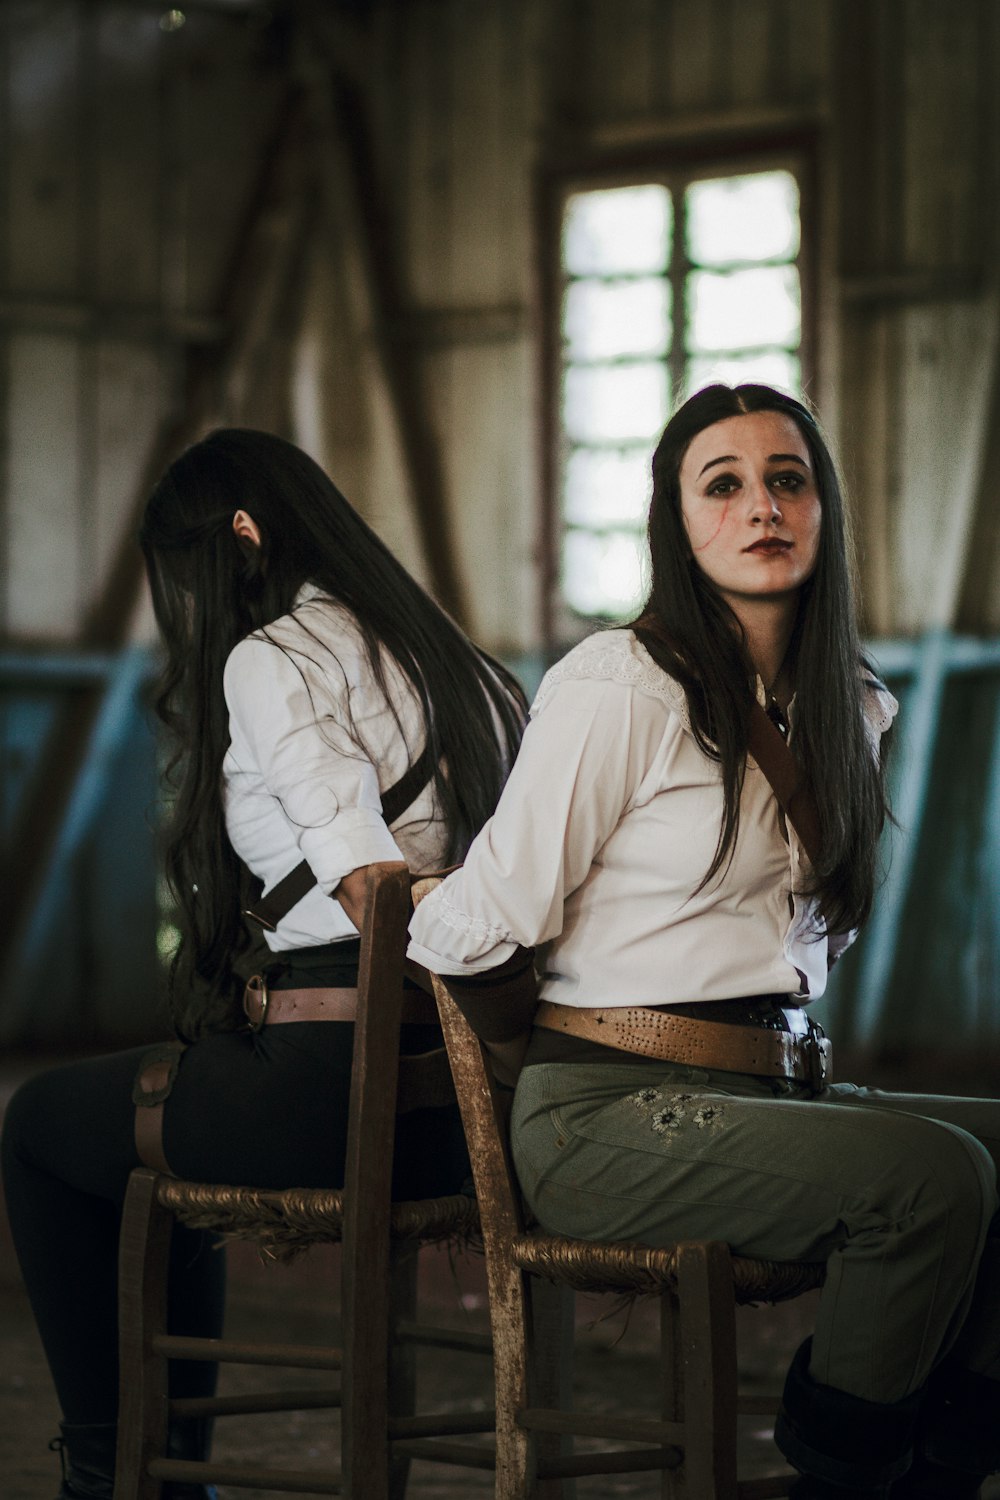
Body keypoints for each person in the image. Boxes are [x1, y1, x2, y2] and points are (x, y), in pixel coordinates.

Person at [408, 383, 1000, 1500]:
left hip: (773, 1091)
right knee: (930, 1182)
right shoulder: (620, 683)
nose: (760, 506)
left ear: (823, 511)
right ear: (676, 524)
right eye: (720, 485)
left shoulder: (852, 705)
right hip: (603, 1113)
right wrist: (530, 1064)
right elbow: (470, 924)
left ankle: (938, 1466)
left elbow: (809, 940)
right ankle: (841, 1474)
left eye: (787, 479)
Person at [1, 427, 526, 1500]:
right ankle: (154, 1470)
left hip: (342, 1100)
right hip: (486, 1118)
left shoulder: (274, 657)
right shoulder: (465, 667)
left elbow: (369, 888)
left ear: (241, 535)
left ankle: (122, 1475)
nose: (190, 610)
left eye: (187, 577)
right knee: (156, 1124)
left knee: (45, 1129)